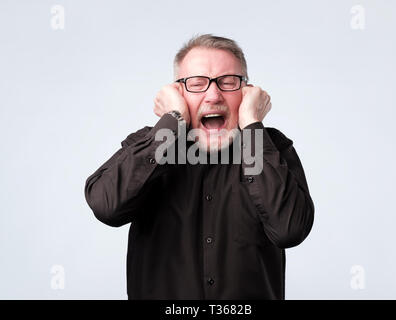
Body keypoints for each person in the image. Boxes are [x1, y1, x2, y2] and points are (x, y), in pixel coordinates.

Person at [84, 34, 315, 300]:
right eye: (196, 84)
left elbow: (290, 229)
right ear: (177, 94)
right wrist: (171, 123)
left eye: (229, 82)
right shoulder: (150, 144)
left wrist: (252, 126)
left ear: (247, 93)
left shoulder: (270, 148)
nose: (213, 95)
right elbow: (106, 206)